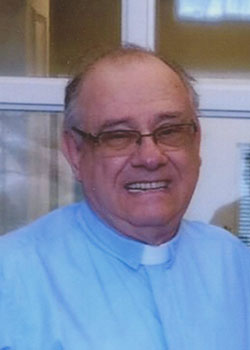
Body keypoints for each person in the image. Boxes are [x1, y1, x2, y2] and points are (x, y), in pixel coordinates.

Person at [0, 46, 249, 350]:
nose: (150, 157)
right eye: (117, 136)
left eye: (169, 131)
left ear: (195, 142)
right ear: (75, 152)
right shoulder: (11, 275)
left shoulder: (234, 263)